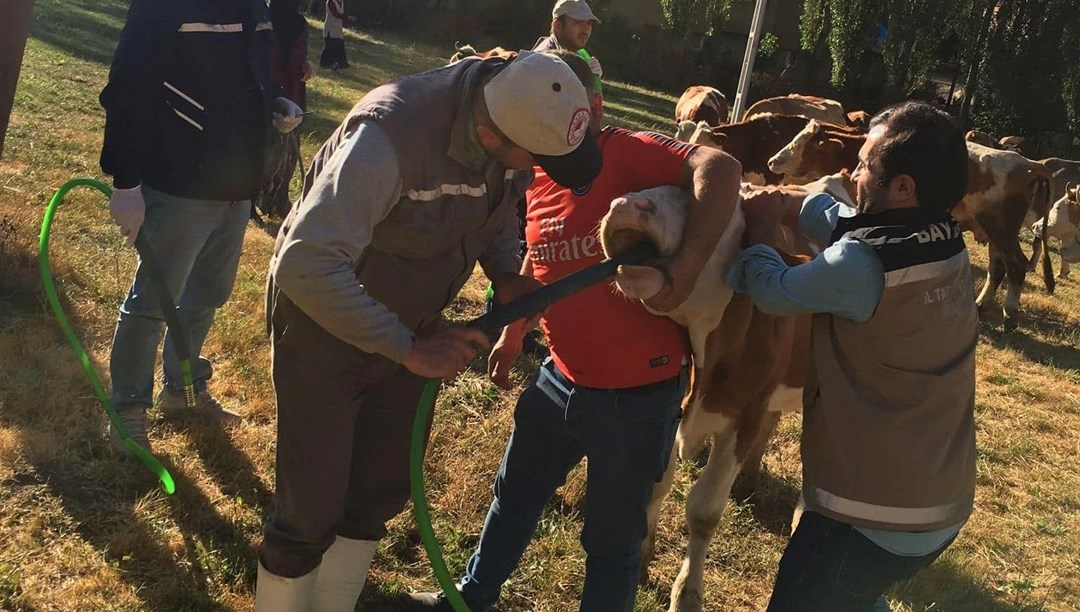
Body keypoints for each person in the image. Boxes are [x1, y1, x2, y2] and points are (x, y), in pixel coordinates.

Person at [254, 51, 604, 611]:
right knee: (311, 505)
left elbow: (489, 209)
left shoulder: (512, 123)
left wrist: (505, 271)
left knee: (378, 488)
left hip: (415, 329)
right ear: (490, 136)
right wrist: (407, 349)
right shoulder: (390, 137)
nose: (535, 173)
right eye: (533, 160)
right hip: (325, 326)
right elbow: (306, 265)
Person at [408, 50, 743, 612]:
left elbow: (722, 169)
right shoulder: (538, 173)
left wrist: (682, 274)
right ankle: (470, 597)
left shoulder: (627, 152)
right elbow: (542, 268)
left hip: (637, 398)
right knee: (513, 498)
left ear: (596, 106)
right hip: (558, 379)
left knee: (611, 542)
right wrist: (513, 339)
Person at [727, 101, 977, 611]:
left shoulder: (860, 266)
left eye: (864, 164)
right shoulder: (945, 241)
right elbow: (850, 225)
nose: (852, 173)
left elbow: (774, 290)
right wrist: (789, 201)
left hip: (870, 516)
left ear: (903, 187)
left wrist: (757, 228)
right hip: (940, 501)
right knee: (853, 598)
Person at [99, 0, 304, 455]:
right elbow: (127, 87)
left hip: (236, 182)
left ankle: (181, 390)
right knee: (154, 302)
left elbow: (246, 73)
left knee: (207, 296)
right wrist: (125, 181)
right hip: (180, 180)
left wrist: (275, 102)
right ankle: (128, 408)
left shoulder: (255, 5)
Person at [257, 0, 314, 218]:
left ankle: (280, 199)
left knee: (289, 151)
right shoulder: (263, 19)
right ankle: (256, 199)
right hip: (267, 93)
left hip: (293, 94)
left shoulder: (300, 24)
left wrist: (306, 68)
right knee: (266, 149)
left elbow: (302, 57)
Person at [533, 0, 603, 81]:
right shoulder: (544, 61)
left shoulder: (574, 54)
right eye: (579, 22)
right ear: (557, 25)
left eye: (589, 23)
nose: (586, 29)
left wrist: (592, 79)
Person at [319, 0, 354, 69]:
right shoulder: (331, 2)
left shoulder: (341, 3)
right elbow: (335, 14)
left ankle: (341, 63)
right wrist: (348, 17)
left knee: (339, 46)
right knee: (329, 47)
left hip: (337, 29)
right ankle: (325, 63)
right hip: (330, 28)